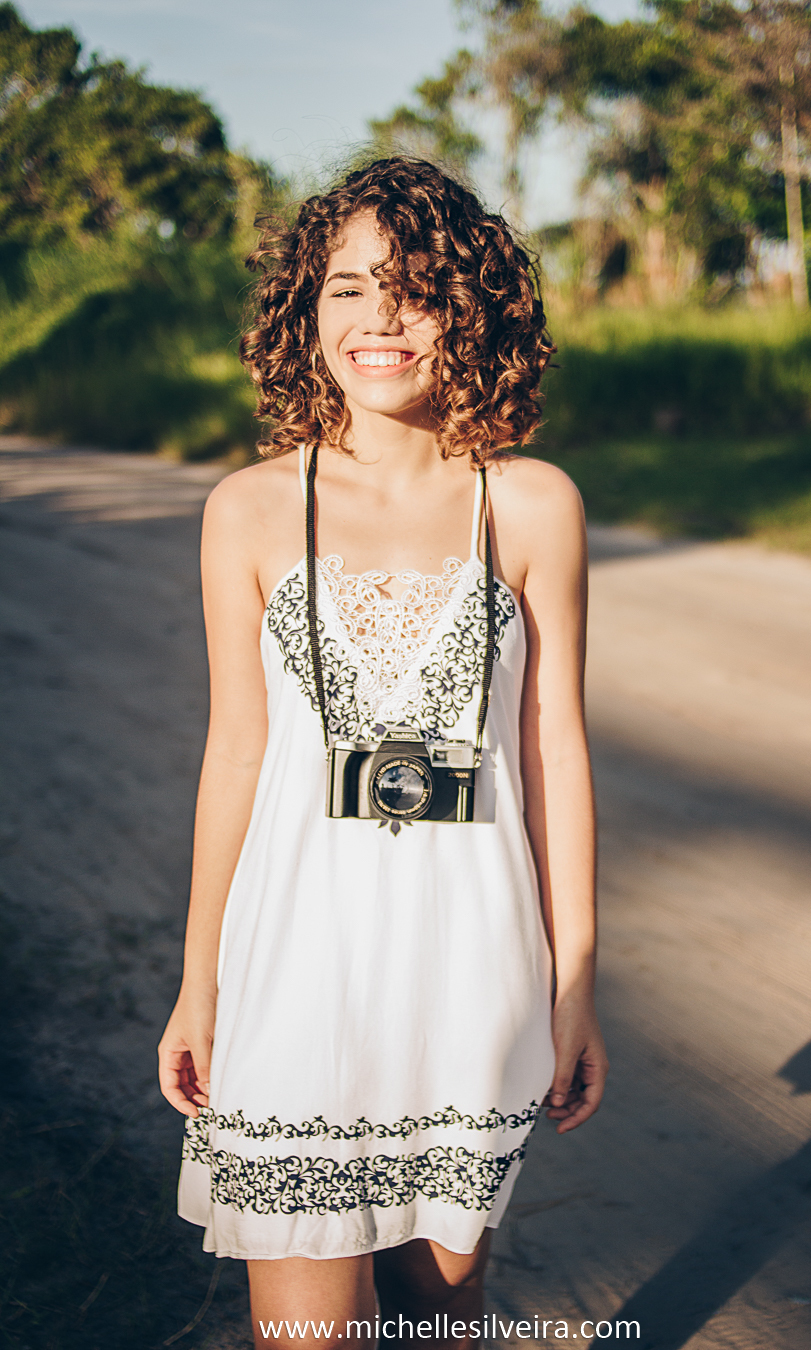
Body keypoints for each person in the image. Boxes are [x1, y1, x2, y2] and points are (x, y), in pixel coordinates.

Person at [158, 157, 608, 1350]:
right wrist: (199, 981)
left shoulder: (532, 504)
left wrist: (574, 981)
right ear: (306, 311)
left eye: (417, 290)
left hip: (471, 971)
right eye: (349, 287)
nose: (381, 318)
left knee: (439, 1316)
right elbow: (236, 754)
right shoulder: (249, 510)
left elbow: (555, 754)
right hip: (297, 971)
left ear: (475, 310)